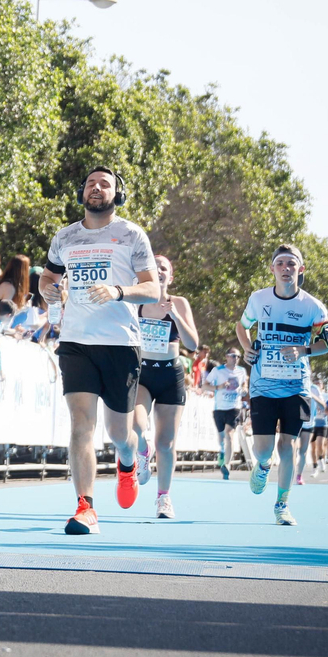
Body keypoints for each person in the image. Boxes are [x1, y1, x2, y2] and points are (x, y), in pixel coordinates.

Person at [38, 167, 161, 535]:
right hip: (76, 342)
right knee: (81, 424)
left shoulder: (131, 234)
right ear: (82, 191)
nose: (96, 188)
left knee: (119, 432)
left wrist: (118, 291)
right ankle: (85, 507)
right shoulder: (66, 236)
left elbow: (152, 289)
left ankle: (127, 462)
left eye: (104, 184)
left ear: (116, 194)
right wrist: (48, 290)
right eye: (91, 183)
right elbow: (48, 277)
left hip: (120, 343)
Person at [237, 243, 328, 526]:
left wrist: (303, 351)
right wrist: (246, 348)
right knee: (264, 450)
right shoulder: (258, 299)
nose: (285, 268)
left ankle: (282, 504)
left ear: (300, 269)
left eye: (291, 264)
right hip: (263, 385)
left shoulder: (313, 307)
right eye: (280, 263)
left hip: (296, 386)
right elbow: (242, 326)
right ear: (272, 269)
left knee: (288, 446)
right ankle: (264, 465)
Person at [130, 254, 201, 518]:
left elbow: (192, 344)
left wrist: (173, 314)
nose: (159, 271)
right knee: (137, 426)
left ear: (170, 277)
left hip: (170, 375)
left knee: (166, 443)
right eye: (154, 266)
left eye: (164, 268)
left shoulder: (179, 303)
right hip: (142, 374)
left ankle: (163, 498)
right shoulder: (135, 302)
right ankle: (141, 451)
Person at [203, 348, 249, 480]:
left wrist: (243, 390)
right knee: (221, 437)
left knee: (229, 435)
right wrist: (219, 387)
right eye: (233, 356)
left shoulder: (242, 371)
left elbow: (245, 386)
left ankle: (227, 465)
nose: (235, 359)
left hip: (234, 407)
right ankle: (222, 452)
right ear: (227, 357)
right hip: (219, 408)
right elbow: (205, 386)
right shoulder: (217, 371)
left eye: (238, 357)